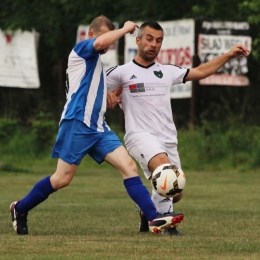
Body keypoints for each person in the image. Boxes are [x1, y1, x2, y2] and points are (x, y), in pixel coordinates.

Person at [9, 16, 184, 235]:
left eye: (109, 42)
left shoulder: (96, 64)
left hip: (98, 127)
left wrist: (109, 96)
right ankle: (20, 208)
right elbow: (100, 44)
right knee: (62, 179)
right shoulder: (82, 49)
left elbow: (91, 90)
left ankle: (154, 218)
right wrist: (125, 29)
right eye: (104, 38)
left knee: (128, 167)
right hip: (77, 124)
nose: (107, 45)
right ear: (90, 35)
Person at [106, 21, 250, 235]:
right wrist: (106, 95)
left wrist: (228, 55)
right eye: (149, 38)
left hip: (167, 139)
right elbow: (91, 89)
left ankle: (146, 211)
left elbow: (200, 71)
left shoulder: (166, 71)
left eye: (158, 40)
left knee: (175, 190)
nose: (153, 44)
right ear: (138, 40)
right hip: (139, 135)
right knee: (164, 170)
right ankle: (167, 226)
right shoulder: (121, 72)